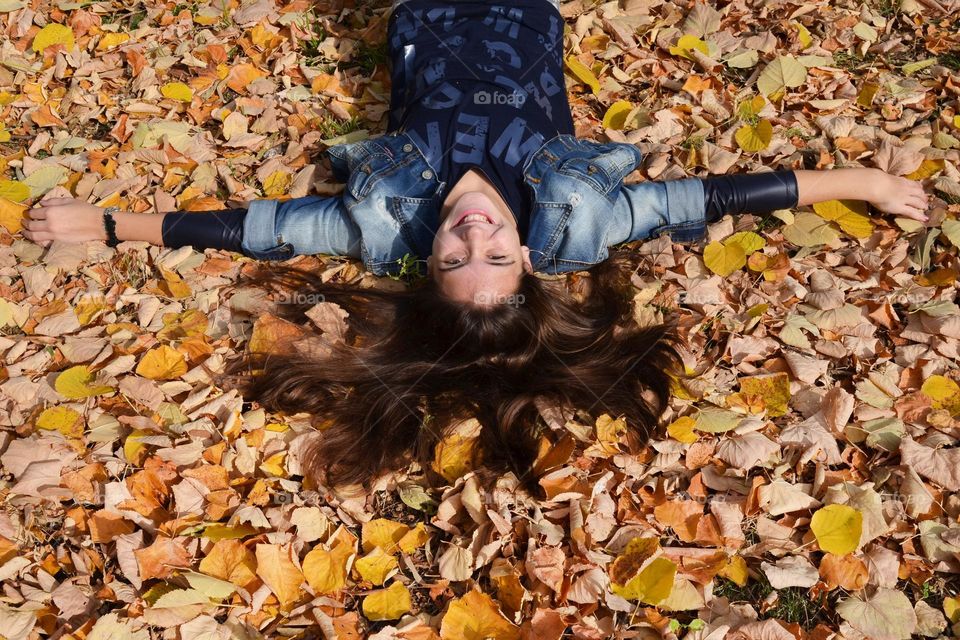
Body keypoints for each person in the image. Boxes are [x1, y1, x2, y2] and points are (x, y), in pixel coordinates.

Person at [20, 0, 928, 492]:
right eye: (498, 259)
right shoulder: (586, 226)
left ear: (430, 271)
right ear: (532, 266)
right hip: (526, 20)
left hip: (422, 21)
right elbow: (730, 193)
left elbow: (250, 229)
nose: (476, 235)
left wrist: (103, 225)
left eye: (458, 262)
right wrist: (868, 184)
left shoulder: (383, 232)